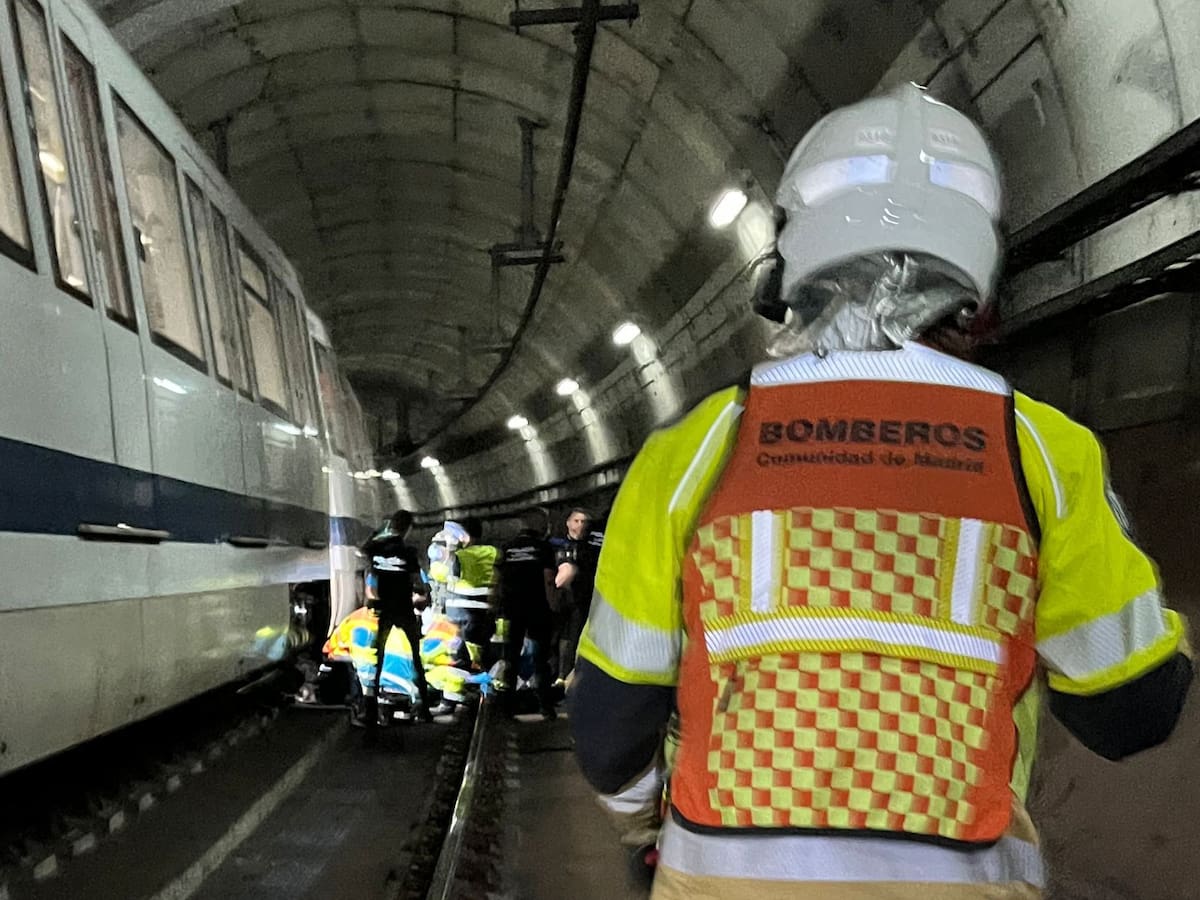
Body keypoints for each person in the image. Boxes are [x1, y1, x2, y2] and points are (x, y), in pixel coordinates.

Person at [569, 82, 1192, 899]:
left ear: (794, 255)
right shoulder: (1041, 453)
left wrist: (648, 822)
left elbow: (612, 722)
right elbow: (1132, 709)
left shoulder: (694, 452)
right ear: (977, 272)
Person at [360, 510, 433, 727]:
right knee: (416, 659)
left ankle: (370, 713)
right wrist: (423, 595)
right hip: (404, 609)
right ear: (408, 528)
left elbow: (361, 551)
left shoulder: (376, 548)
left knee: (377, 660)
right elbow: (416, 581)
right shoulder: (408, 552)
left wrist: (379, 532)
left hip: (384, 609)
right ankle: (425, 710)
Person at [495, 507, 559, 718]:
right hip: (538, 608)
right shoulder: (544, 548)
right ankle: (546, 707)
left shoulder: (507, 548)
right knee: (541, 659)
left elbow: (498, 581)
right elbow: (549, 580)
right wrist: (553, 607)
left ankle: (507, 709)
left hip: (513, 610)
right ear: (539, 525)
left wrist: (496, 608)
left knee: (511, 659)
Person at [553, 508, 604, 686]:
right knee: (561, 637)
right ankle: (561, 673)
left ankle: (568, 674)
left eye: (585, 522)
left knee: (575, 636)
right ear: (568, 523)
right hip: (561, 600)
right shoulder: (558, 545)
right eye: (577, 521)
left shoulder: (591, 548)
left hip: (585, 599)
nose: (581, 525)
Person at [445, 517, 499, 671]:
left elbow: (449, 577)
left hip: (455, 613)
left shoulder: (458, 556)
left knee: (458, 656)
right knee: (481, 654)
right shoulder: (492, 552)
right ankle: (482, 687)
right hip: (479, 613)